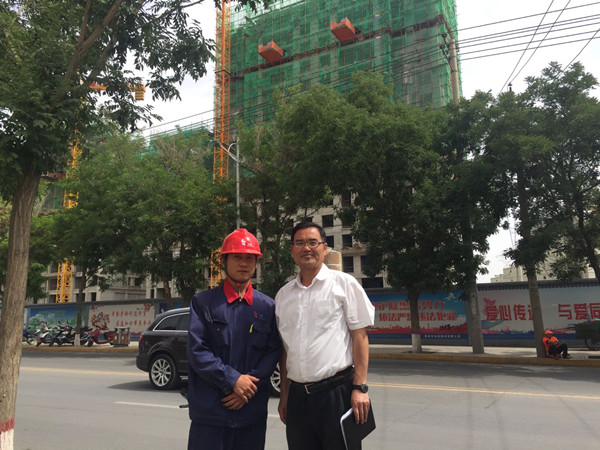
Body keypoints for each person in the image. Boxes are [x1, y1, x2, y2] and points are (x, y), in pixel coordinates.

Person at [275, 222, 375, 450]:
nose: (306, 248)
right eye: (300, 243)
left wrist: (360, 388)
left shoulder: (344, 284)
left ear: (324, 248)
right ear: (292, 250)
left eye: (313, 242)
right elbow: (285, 350)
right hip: (298, 399)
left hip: (336, 395)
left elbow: (360, 337)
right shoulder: (283, 296)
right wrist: (285, 395)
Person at [186, 229, 281, 450]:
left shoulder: (267, 307)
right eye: (237, 257)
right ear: (223, 261)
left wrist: (246, 388)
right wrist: (232, 380)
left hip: (250, 412)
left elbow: (273, 351)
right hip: (211, 413)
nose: (244, 263)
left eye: (250, 258)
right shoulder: (203, 303)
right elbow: (197, 351)